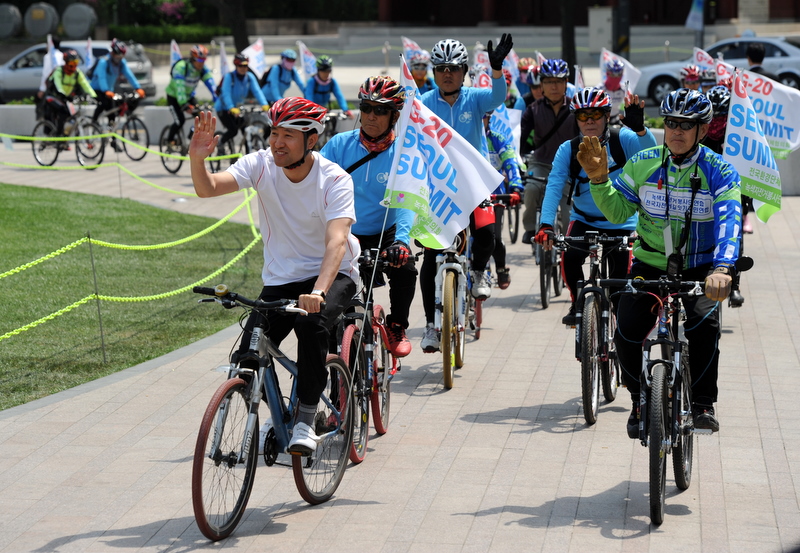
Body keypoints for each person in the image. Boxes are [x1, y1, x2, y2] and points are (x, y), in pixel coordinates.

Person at [187, 97, 360, 454]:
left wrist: (319, 292)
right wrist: (197, 159)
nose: (277, 142)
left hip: (332, 274)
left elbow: (337, 241)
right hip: (282, 279)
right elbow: (208, 188)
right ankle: (279, 413)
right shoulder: (261, 164)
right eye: (274, 133)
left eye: (288, 136)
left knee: (311, 326)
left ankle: (306, 419)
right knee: (248, 354)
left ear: (311, 140)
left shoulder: (334, 179)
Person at [577, 88, 742, 436]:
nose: (677, 131)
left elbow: (730, 222)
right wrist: (599, 181)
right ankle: (639, 399)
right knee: (626, 331)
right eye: (671, 123)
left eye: (686, 125)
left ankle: (702, 404)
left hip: (701, 267)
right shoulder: (643, 162)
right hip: (650, 264)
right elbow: (618, 212)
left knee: (704, 326)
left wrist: (723, 268)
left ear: (703, 129)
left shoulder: (720, 170)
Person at [418, 34, 513, 352]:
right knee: (430, 255)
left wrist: (497, 70)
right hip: (438, 190)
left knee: (487, 233)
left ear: (464, 71)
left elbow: (498, 97)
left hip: (474, 185)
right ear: (434, 72)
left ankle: (479, 272)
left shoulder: (474, 98)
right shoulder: (423, 103)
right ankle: (430, 327)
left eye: (454, 68)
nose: (448, 74)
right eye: (441, 68)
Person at [534, 88, 657, 325]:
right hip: (584, 219)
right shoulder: (568, 149)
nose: (589, 121)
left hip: (622, 221)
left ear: (607, 115)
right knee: (569, 258)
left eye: (596, 114)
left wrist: (641, 130)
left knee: (621, 284)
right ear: (576, 118)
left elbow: (651, 155)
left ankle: (618, 321)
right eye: (583, 115)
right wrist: (546, 224)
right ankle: (578, 303)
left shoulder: (623, 139)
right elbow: (554, 186)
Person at [320, 76, 415, 357]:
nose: (371, 115)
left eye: (381, 110)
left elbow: (406, 201)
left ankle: (397, 325)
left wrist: (402, 242)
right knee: (332, 302)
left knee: (406, 268)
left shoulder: (403, 152)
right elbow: (316, 185)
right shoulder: (339, 144)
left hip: (386, 230)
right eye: (366, 107)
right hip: (346, 230)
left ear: (394, 116)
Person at [519, 58, 579, 244]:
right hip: (540, 162)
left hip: (568, 167)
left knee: (568, 212)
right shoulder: (532, 109)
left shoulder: (576, 109)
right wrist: (517, 159)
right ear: (542, 85)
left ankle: (568, 243)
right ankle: (530, 228)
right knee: (531, 189)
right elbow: (521, 138)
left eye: (559, 81)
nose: (554, 86)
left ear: (566, 83)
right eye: (549, 82)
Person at [702, 84, 746, 307]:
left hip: (732, 191)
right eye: (715, 116)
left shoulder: (738, 134)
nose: (717, 121)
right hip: (704, 192)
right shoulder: (700, 134)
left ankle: (734, 284)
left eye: (722, 116)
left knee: (733, 234)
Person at [484, 110, 524, 289]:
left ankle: (500, 268)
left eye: (483, 117)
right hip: (468, 194)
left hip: (494, 195)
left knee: (494, 237)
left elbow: (510, 162)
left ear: (489, 118)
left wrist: (515, 185)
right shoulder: (462, 136)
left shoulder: (497, 138)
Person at [90, 39, 146, 150]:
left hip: (109, 90)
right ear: (112, 53)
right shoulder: (104, 62)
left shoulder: (121, 63)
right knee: (103, 104)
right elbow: (101, 78)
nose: (119, 58)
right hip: (98, 89)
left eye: (121, 55)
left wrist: (138, 88)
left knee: (113, 114)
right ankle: (94, 123)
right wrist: (106, 90)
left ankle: (113, 140)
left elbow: (129, 75)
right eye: (118, 55)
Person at [214, 53, 269, 149]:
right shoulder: (229, 77)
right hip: (223, 108)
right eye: (240, 66)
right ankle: (220, 144)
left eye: (245, 66)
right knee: (233, 131)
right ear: (236, 66)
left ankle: (248, 154)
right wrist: (231, 107)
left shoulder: (249, 77)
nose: (243, 68)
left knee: (246, 131)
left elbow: (257, 91)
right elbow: (226, 94)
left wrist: (264, 104)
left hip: (238, 109)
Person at [165, 44, 217, 144]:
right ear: (193, 58)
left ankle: (191, 140)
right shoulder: (181, 67)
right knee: (180, 121)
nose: (202, 63)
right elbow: (179, 87)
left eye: (204, 60)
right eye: (200, 60)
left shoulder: (202, 69)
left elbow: (210, 83)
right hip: (174, 97)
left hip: (189, 96)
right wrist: (184, 104)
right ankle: (170, 140)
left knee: (201, 117)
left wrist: (217, 97)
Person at [43, 49, 97, 137]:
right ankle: (58, 135)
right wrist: (63, 94)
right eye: (72, 63)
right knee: (63, 111)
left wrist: (94, 95)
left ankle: (65, 135)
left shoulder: (77, 73)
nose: (74, 66)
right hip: (53, 96)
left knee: (72, 116)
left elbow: (85, 84)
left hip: (65, 98)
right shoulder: (59, 71)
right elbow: (58, 85)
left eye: (76, 63)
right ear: (66, 62)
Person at [599, 58, 626, 124]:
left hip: (616, 118)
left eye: (618, 75)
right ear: (607, 73)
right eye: (613, 75)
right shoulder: (599, 89)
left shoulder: (624, 89)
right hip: (601, 119)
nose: (615, 78)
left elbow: (628, 106)